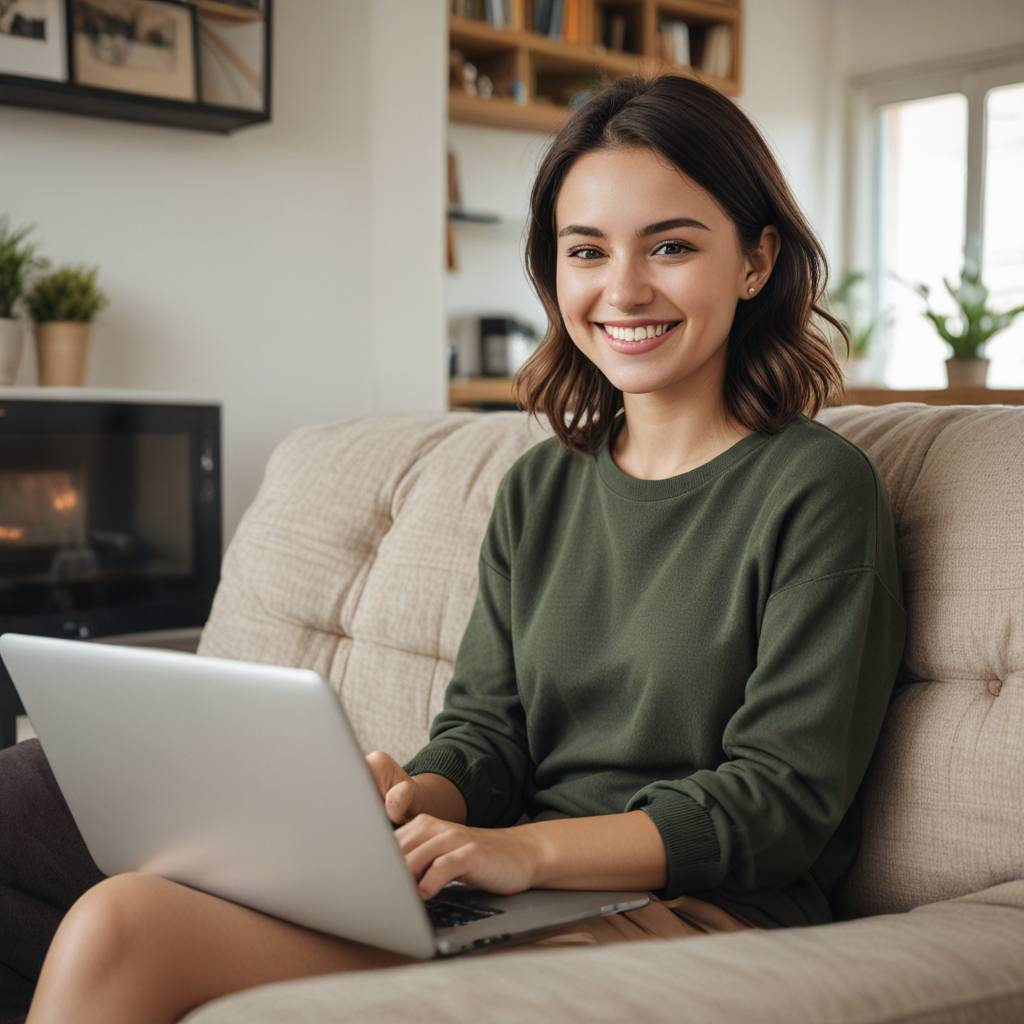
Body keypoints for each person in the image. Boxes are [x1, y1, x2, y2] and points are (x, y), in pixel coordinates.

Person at [0, 72, 907, 1024]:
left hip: (693, 912)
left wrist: (527, 853)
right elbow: (488, 735)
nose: (623, 288)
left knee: (126, 931)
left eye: (671, 246)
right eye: (585, 251)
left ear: (756, 261)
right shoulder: (541, 487)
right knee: (56, 827)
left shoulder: (816, 490)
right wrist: (413, 797)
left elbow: (782, 801)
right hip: (514, 886)